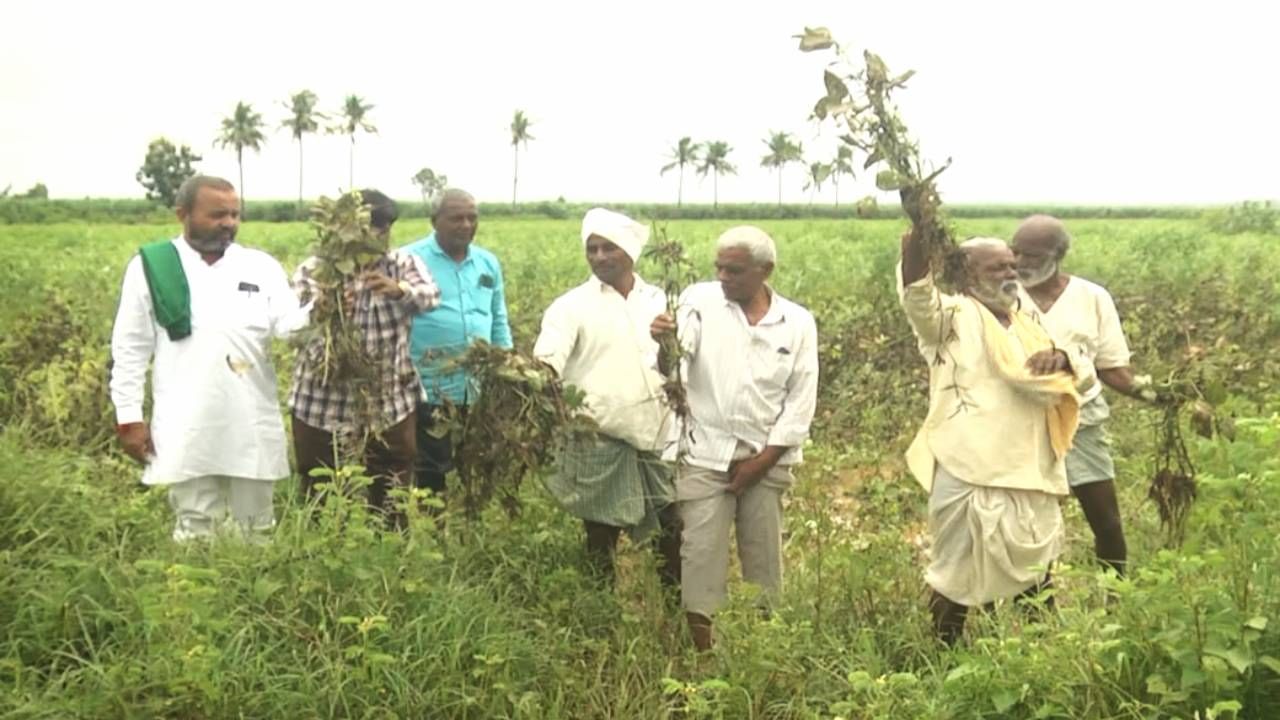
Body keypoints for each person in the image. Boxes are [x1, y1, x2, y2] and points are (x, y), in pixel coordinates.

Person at [897, 227, 1096, 644]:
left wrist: (1060, 357)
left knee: (1037, 573)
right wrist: (917, 221)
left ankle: (1043, 655)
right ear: (965, 274)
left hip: (1032, 467)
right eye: (997, 267)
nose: (1011, 272)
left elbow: (1079, 368)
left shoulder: (1029, 322)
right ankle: (943, 654)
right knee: (956, 574)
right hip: (969, 468)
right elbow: (917, 291)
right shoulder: (949, 318)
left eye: (1011, 264)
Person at [109, 175, 309, 541]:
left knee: (257, 526)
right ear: (183, 214)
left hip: (250, 416)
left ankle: (249, 595)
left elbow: (289, 328)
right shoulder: (151, 267)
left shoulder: (260, 266)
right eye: (217, 214)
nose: (229, 223)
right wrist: (129, 419)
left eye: (234, 214)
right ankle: (194, 597)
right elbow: (130, 349)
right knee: (196, 523)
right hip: (187, 419)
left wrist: (323, 310)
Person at [650, 226, 819, 651]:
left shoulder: (796, 322)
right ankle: (703, 652)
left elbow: (801, 400)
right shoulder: (699, 301)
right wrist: (663, 343)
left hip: (766, 457)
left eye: (736, 270)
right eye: (719, 268)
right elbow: (674, 363)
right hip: (704, 452)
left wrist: (761, 462)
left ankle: (764, 645)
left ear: (766, 270)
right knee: (700, 554)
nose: (724, 277)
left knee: (763, 558)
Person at [533, 208, 680, 587]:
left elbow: (677, 366)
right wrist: (537, 380)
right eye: (592, 249)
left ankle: (673, 605)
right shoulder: (570, 307)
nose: (599, 256)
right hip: (598, 439)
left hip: (655, 437)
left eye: (608, 248)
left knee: (671, 530)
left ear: (629, 250)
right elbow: (547, 362)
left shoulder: (660, 300)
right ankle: (600, 611)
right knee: (601, 535)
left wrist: (669, 343)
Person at [1012, 214, 1154, 577]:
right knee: (1030, 528)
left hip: (1082, 420)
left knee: (1106, 520)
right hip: (1021, 422)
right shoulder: (1004, 295)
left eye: (1032, 255)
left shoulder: (1092, 297)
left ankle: (1117, 598)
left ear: (1058, 254)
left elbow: (1113, 369)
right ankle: (1038, 618)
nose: (1021, 263)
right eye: (1017, 253)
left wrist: (1161, 395)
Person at [289, 189, 441, 528]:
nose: (377, 237)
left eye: (384, 229)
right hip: (320, 397)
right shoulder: (317, 269)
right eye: (370, 228)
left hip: (388, 397)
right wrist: (321, 304)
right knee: (319, 484)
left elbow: (431, 296)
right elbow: (289, 315)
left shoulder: (402, 264)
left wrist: (400, 290)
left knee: (391, 480)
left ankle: (390, 552)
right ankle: (322, 549)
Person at [401, 189, 512, 506]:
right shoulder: (409, 260)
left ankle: (470, 522)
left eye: (472, 218)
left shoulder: (487, 263)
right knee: (430, 467)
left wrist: (504, 365)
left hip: (477, 384)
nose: (466, 224)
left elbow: (497, 316)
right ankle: (432, 532)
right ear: (434, 221)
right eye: (456, 218)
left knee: (475, 459)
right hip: (429, 384)